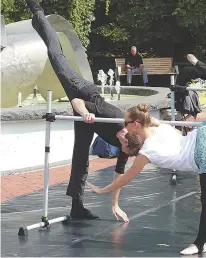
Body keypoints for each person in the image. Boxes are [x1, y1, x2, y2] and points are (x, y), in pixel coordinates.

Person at [87, 33, 206, 255]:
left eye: (126, 124)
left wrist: (102, 189)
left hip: (203, 153)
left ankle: (200, 244)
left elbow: (124, 179)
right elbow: (141, 127)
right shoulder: (156, 125)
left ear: (135, 125)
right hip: (205, 134)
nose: (124, 127)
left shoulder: (146, 153)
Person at [27, 0, 130, 222]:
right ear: (127, 132)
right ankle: (37, 10)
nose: (121, 141)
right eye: (123, 139)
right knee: (56, 55)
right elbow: (75, 101)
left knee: (81, 157)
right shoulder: (115, 118)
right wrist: (85, 114)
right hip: (82, 93)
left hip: (88, 119)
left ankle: (77, 207)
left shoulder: (128, 148)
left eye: (123, 145)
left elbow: (119, 175)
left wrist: (115, 205)